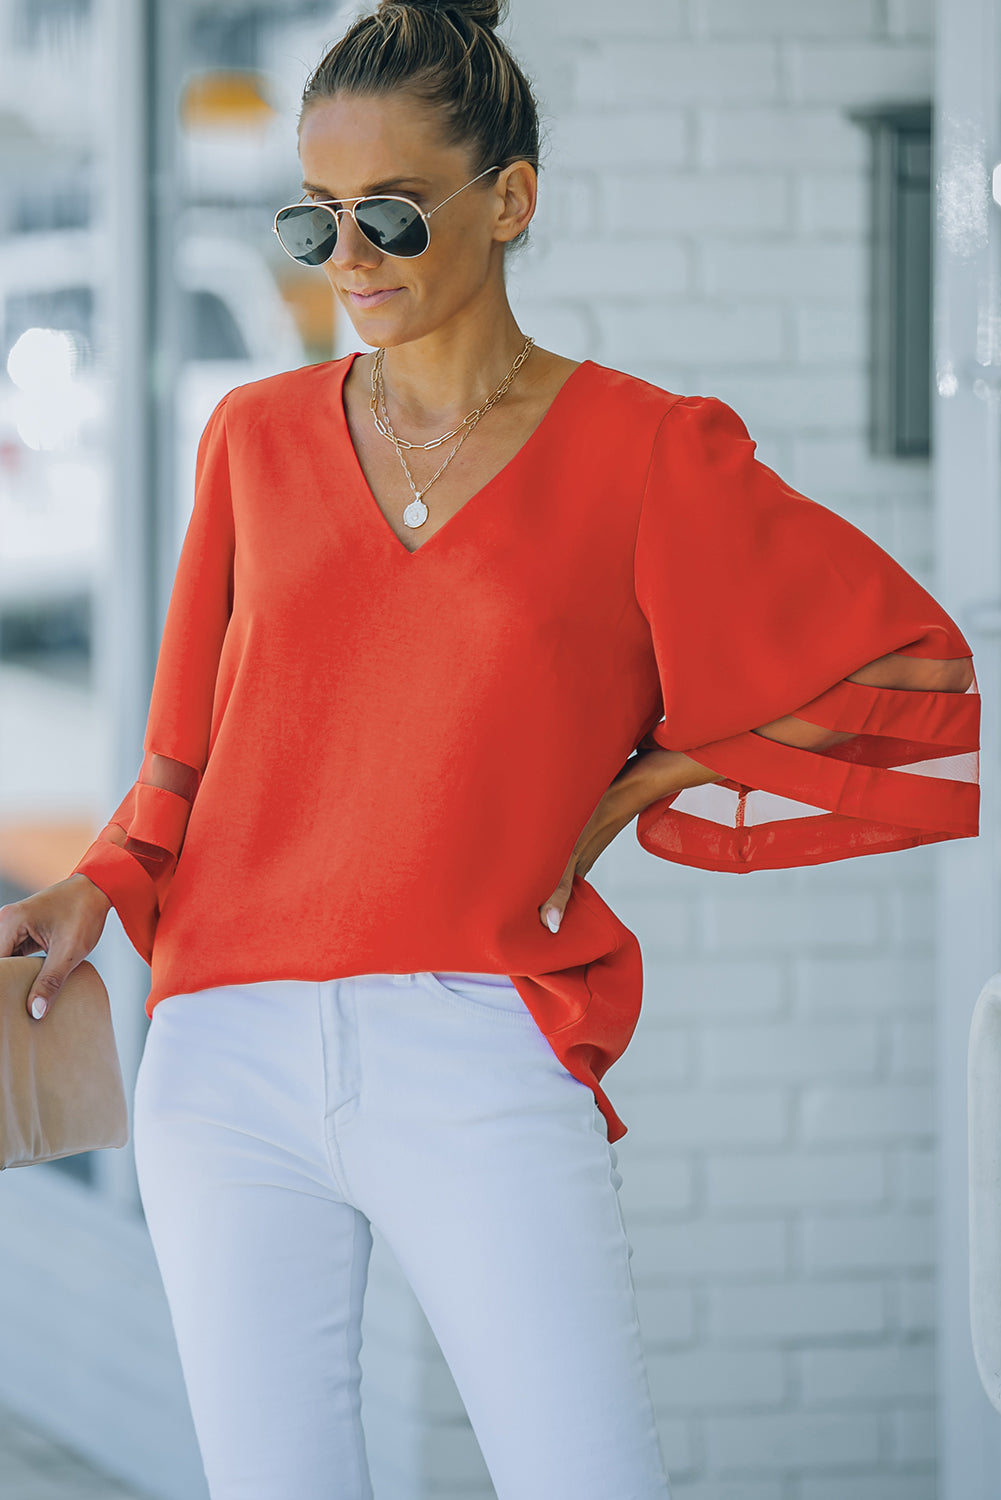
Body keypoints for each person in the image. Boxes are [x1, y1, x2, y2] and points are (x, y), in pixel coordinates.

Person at [0, 2, 980, 1497]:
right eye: (314, 219)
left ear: (509, 198)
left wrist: (644, 780)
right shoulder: (253, 438)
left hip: (477, 1036)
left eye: (391, 213)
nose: (349, 258)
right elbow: (181, 762)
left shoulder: (646, 450)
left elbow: (910, 670)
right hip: (225, 1049)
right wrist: (97, 885)